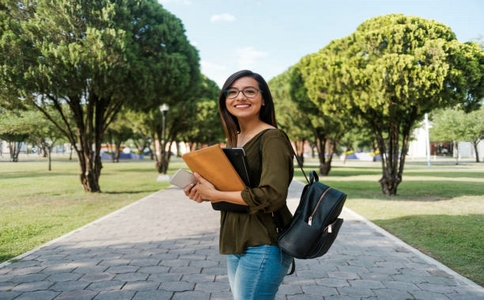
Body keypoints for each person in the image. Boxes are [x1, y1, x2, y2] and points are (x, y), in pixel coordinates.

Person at [184, 70, 294, 300]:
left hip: (263, 243)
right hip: (237, 242)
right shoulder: (234, 139)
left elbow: (273, 196)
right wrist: (205, 192)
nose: (240, 97)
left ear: (263, 99)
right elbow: (230, 189)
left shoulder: (272, 138)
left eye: (249, 91)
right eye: (232, 92)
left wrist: (217, 193)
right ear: (225, 101)